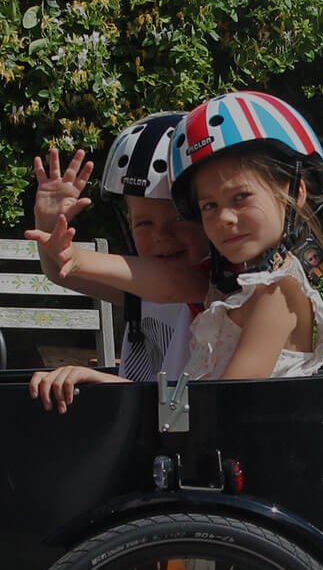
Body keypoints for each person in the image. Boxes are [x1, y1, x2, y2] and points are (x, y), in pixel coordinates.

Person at [28, 90, 323, 411]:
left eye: (240, 197)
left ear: (295, 191)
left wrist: (114, 387)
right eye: (209, 206)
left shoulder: (277, 291)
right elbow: (162, 281)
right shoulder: (231, 283)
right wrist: (70, 253)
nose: (225, 218)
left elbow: (220, 406)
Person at [29, 111, 209, 384]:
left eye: (179, 219)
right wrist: (49, 225)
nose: (161, 235)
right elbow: (59, 271)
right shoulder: (139, 292)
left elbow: (183, 409)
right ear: (128, 223)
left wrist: (106, 383)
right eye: (144, 223)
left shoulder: (212, 289)